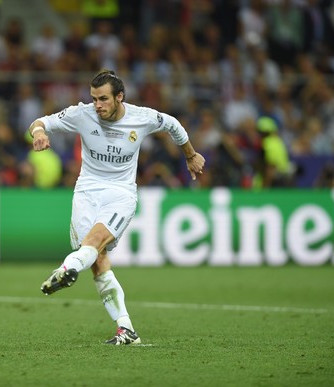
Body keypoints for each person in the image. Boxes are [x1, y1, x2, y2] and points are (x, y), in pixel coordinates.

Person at [28, 69, 205, 345]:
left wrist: (190, 155)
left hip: (120, 194)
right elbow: (40, 122)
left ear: (119, 97)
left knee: (95, 242)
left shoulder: (141, 117)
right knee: (97, 261)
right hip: (86, 192)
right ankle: (126, 329)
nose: (97, 105)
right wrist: (38, 134)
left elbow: (173, 125)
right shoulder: (82, 114)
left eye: (103, 99)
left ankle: (66, 268)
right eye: (94, 99)